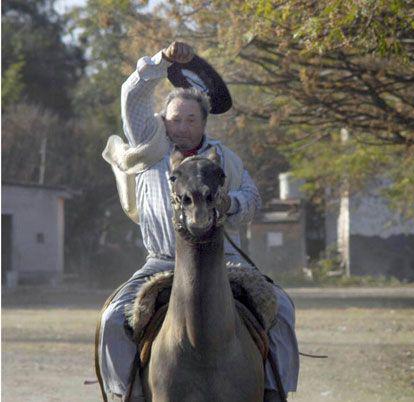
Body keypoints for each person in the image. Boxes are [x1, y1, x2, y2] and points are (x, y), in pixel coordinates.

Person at [99, 41, 299, 401]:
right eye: (175, 119)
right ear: (163, 120)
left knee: (282, 308)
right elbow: (132, 94)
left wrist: (229, 203)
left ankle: (273, 391)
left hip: (226, 261)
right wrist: (162, 61)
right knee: (113, 318)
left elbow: (252, 201)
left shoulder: (226, 159)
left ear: (204, 122)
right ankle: (127, 394)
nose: (183, 126)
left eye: (191, 119)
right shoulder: (150, 148)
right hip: (160, 261)